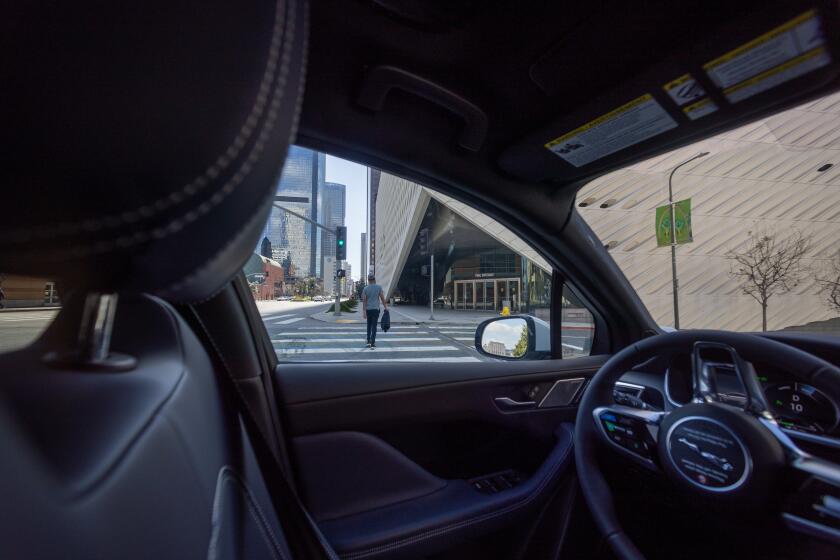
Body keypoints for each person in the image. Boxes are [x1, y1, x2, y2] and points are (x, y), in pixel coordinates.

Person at [362, 274, 388, 348]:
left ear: (368, 280)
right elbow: (382, 298)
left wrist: (364, 312)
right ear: (374, 279)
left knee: (369, 325)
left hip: (368, 310)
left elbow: (364, 301)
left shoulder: (365, 289)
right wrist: (385, 307)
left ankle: (368, 341)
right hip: (376, 310)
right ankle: (373, 343)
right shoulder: (379, 287)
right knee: (374, 326)